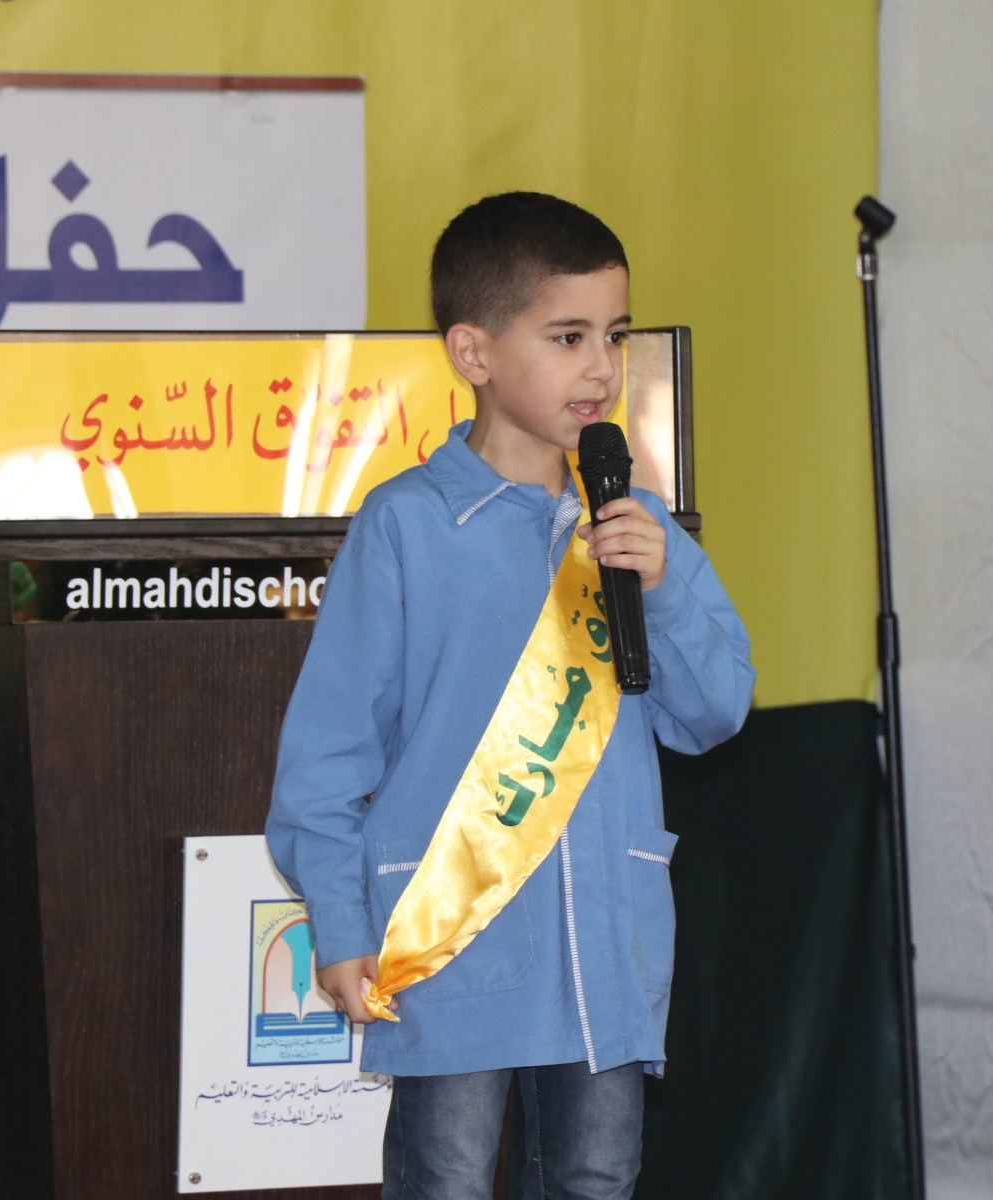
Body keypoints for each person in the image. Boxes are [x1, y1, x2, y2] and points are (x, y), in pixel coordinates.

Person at [265, 191, 754, 1200]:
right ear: (474, 352)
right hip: (453, 933)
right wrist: (342, 923)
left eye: (614, 335)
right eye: (568, 337)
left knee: (598, 1175)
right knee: (444, 1177)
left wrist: (661, 591)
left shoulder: (637, 527)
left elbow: (714, 714)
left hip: (605, 946)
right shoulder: (407, 526)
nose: (601, 367)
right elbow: (327, 753)